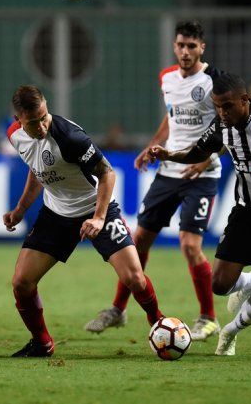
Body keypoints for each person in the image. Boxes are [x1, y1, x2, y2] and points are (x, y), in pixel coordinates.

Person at [147, 73, 251, 356]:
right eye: (217, 107)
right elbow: (197, 152)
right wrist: (168, 154)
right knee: (219, 284)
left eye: (227, 106)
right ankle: (247, 281)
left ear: (244, 101)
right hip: (247, 212)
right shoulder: (221, 126)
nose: (221, 113)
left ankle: (230, 332)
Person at [85, 21, 222, 341]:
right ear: (175, 47)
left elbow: (229, 123)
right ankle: (118, 309)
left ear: (202, 48)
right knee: (140, 238)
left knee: (189, 245)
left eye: (192, 46)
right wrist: (152, 145)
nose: (185, 52)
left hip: (201, 174)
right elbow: (172, 116)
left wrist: (204, 158)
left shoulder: (215, 81)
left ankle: (208, 317)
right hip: (169, 171)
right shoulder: (167, 78)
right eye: (180, 45)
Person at [4, 85, 163, 357]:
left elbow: (107, 174)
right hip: (55, 215)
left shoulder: (70, 137)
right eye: (33, 122)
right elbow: (37, 169)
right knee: (22, 282)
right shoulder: (15, 136)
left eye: (44, 117)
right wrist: (20, 209)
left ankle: (160, 325)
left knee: (134, 277)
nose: (42, 126)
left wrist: (99, 218)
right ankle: (42, 343)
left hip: (95, 209)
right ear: (18, 120)